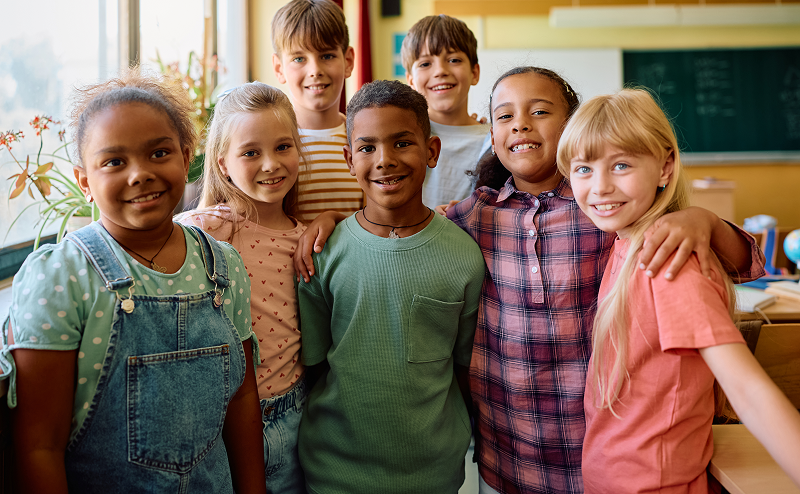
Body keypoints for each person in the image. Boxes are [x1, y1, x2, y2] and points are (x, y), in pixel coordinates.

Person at [292, 66, 765, 494]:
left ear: (572, 127)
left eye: (539, 112)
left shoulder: (603, 209)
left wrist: (703, 220)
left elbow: (744, 263)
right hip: (506, 456)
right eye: (505, 116)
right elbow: (397, 225)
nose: (520, 124)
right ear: (492, 138)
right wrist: (335, 218)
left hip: (596, 455)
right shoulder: (473, 216)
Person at [0, 68, 266, 493]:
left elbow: (241, 401)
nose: (139, 173)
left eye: (159, 153)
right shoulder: (63, 278)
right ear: (84, 181)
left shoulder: (224, 266)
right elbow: (39, 447)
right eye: (114, 161)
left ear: (186, 154)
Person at [556, 88, 800, 492]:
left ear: (666, 168)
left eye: (620, 165)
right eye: (583, 169)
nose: (599, 187)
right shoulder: (624, 242)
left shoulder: (666, 264)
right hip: (613, 476)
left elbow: (748, 390)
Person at [296, 80, 486, 494]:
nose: (384, 160)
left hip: (433, 473)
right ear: (349, 160)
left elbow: (463, 367)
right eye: (367, 148)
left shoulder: (465, 257)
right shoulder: (323, 254)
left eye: (402, 143)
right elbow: (314, 366)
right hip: (333, 472)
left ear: (431, 151)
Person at [177, 82, 308, 494]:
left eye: (283, 147)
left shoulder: (305, 239)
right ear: (223, 164)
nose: (270, 164)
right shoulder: (208, 229)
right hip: (220, 422)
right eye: (251, 152)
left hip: (294, 414)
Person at [271, 0, 363, 222]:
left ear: (348, 61)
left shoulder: (364, 140)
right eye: (299, 58)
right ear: (279, 68)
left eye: (327, 56)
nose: (315, 70)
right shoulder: (272, 145)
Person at [402, 14, 491, 208]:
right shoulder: (400, 138)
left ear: (474, 73)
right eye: (425, 64)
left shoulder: (496, 140)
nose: (440, 70)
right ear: (411, 81)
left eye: (454, 60)